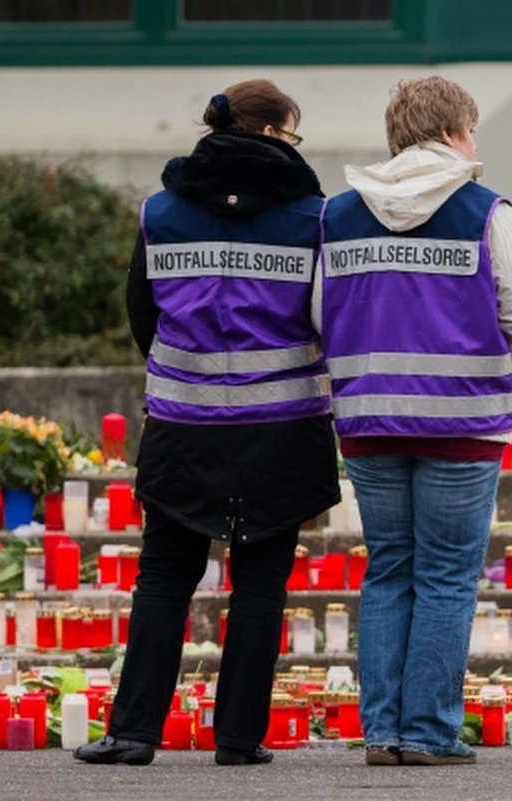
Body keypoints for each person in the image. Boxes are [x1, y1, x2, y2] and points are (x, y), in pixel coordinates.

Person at [75, 80, 340, 766]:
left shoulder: (160, 211)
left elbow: (142, 314)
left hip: (183, 426)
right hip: (283, 427)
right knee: (260, 581)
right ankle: (238, 738)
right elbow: (329, 318)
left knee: (165, 575)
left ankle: (134, 731)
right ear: (275, 134)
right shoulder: (314, 218)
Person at [316, 76, 512, 766]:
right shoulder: (487, 213)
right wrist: (486, 347)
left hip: (369, 417)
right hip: (462, 420)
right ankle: (427, 732)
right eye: (472, 130)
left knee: (388, 568)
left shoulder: (337, 215)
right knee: (447, 575)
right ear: (452, 133)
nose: (475, 144)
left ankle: (382, 732)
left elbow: (318, 314)